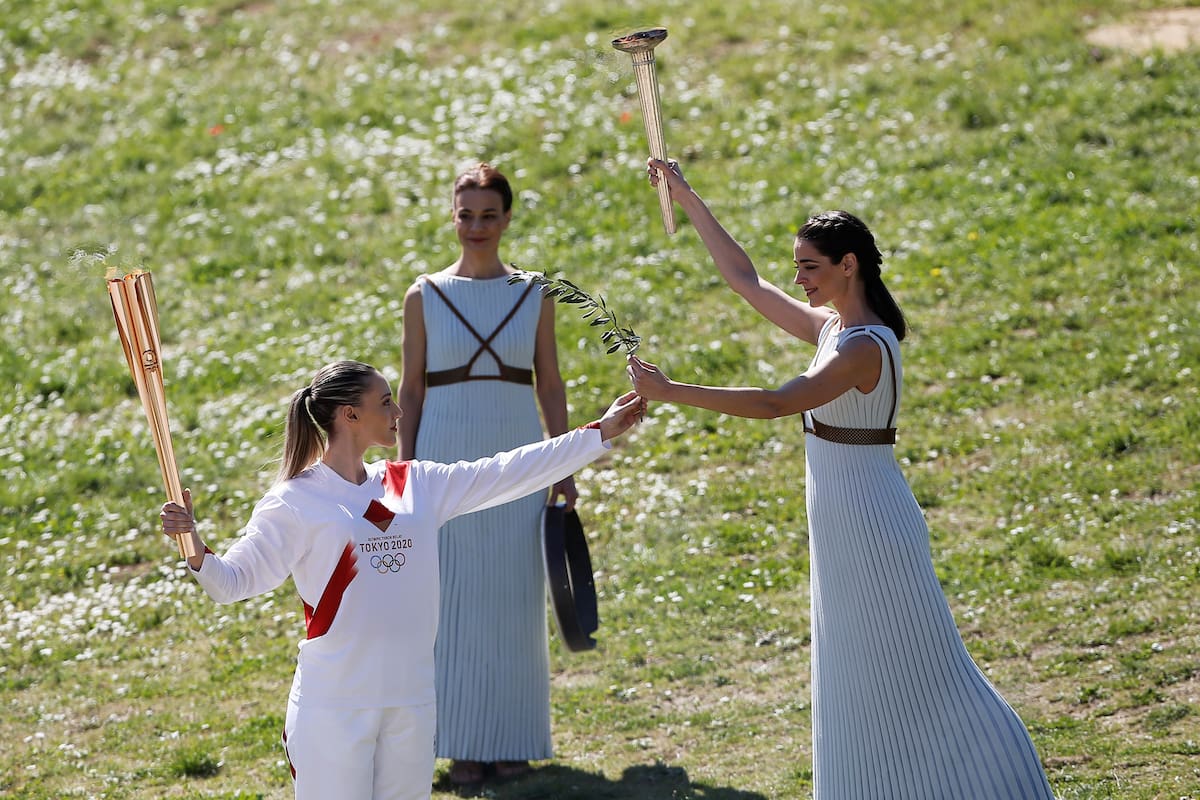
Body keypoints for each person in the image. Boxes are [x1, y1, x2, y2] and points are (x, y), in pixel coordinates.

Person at [625, 158, 1055, 799]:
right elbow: (744, 279)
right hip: (842, 521)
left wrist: (671, 391)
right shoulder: (832, 329)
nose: (799, 279)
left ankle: (1001, 783)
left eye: (810, 267)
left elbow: (776, 402)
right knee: (856, 669)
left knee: (921, 665)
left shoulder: (861, 346)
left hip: (873, 522)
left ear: (848, 264)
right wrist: (687, 199)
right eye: (798, 266)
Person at [159, 360, 644, 800]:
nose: (399, 411)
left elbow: (506, 472)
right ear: (349, 415)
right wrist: (194, 545)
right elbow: (231, 582)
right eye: (385, 402)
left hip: (411, 699)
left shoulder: (412, 483)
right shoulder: (296, 501)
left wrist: (598, 432)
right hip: (335, 706)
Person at [397, 162, 574, 785]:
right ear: (453, 215)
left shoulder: (535, 293)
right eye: (466, 214)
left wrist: (563, 461)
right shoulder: (424, 294)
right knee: (449, 600)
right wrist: (402, 470)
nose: (476, 226)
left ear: (507, 218)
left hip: (516, 452)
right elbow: (411, 390)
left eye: (489, 215)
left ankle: (512, 741)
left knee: (511, 596)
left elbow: (549, 383)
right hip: (442, 456)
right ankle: (459, 744)